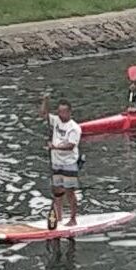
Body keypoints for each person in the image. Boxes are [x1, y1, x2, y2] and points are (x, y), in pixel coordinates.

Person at [40, 95, 81, 227]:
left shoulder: (74, 127)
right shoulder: (56, 120)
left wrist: (55, 146)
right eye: (59, 111)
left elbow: (70, 146)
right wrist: (45, 101)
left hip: (69, 163)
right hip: (56, 162)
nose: (60, 114)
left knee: (69, 192)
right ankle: (58, 217)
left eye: (63, 112)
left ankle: (73, 218)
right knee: (57, 191)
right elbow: (44, 114)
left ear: (69, 112)